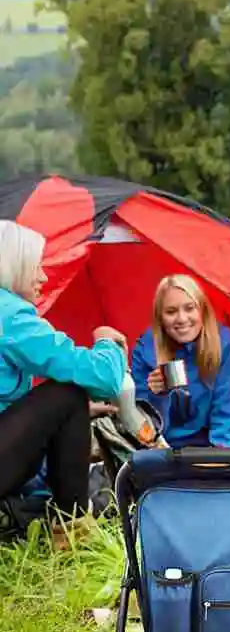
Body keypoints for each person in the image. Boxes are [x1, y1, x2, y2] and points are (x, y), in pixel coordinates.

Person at [0, 219, 128, 524]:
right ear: (14, 266)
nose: (43, 277)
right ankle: (72, 524)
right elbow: (104, 377)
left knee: (67, 405)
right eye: (36, 266)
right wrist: (107, 342)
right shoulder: (10, 317)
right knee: (67, 394)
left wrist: (68, 418)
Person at [131, 274, 230, 448]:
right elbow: (142, 425)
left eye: (189, 308)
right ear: (160, 318)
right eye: (171, 312)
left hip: (210, 445)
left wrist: (219, 456)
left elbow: (228, 412)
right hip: (162, 448)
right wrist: (158, 397)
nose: (182, 319)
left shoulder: (224, 344)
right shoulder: (145, 349)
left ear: (202, 310)